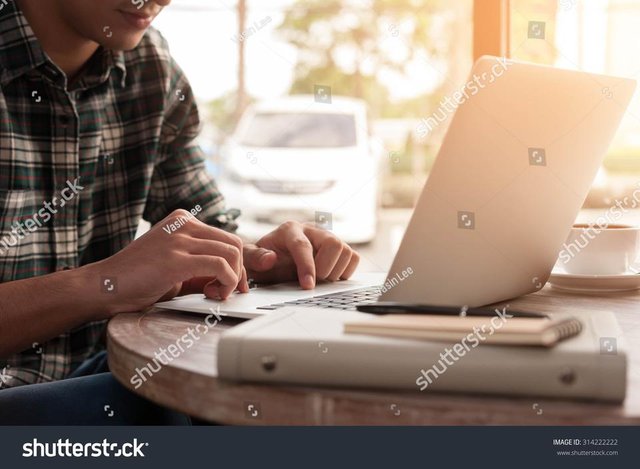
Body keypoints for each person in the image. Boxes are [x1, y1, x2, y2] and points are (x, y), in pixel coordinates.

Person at [0, 0, 360, 424]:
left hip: (98, 372)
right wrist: (104, 282)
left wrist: (259, 260)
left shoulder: (151, 68)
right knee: (175, 406)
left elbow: (206, 229)